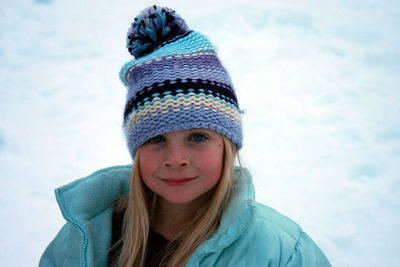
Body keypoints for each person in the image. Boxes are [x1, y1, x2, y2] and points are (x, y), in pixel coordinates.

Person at [39, 5, 331, 267]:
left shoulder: (281, 251)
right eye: (156, 139)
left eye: (197, 137)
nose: (176, 159)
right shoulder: (86, 238)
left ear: (226, 145)